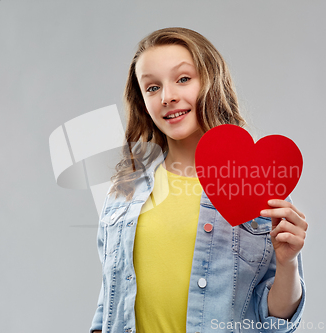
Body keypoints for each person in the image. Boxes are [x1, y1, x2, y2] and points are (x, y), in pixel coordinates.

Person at [90, 27, 308, 333]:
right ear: (142, 101)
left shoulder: (256, 184)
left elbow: (276, 321)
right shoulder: (124, 191)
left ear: (210, 82)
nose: (168, 97)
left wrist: (288, 263)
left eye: (183, 79)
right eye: (152, 88)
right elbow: (109, 302)